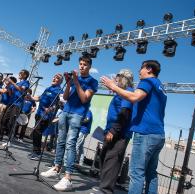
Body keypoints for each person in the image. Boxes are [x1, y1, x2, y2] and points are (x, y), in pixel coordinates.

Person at [100, 60, 167, 194]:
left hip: (145, 133)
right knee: (151, 174)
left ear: (148, 69)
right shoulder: (160, 87)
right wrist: (117, 90)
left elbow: (135, 97)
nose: (139, 72)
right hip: (158, 134)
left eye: (141, 68)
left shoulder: (147, 81)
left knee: (137, 173)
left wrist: (114, 87)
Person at [40, 56, 98, 191]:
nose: (82, 66)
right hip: (65, 111)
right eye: (80, 64)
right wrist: (68, 83)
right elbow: (65, 97)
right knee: (60, 141)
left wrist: (76, 82)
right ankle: (56, 167)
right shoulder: (73, 80)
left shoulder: (92, 82)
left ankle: (68, 177)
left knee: (71, 143)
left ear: (89, 66)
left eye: (85, 64)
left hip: (77, 114)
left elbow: (84, 99)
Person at [94, 69, 134, 194]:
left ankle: (105, 190)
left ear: (124, 79)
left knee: (112, 161)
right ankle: (103, 186)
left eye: (118, 78)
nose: (115, 80)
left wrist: (113, 130)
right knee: (103, 157)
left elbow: (125, 113)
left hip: (119, 133)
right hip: (110, 131)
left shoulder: (128, 92)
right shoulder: (120, 92)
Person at [29, 73, 63, 160]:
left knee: (37, 131)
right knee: (36, 132)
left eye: (57, 78)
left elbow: (59, 104)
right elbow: (39, 98)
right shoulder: (48, 88)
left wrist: (51, 108)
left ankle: (37, 153)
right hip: (39, 113)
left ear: (60, 81)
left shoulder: (59, 91)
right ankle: (35, 151)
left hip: (46, 116)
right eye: (54, 77)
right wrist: (31, 97)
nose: (54, 78)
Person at [0, 69, 30, 146]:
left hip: (17, 105)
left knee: (11, 122)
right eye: (19, 72)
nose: (19, 74)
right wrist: (9, 85)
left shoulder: (26, 82)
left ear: (25, 75)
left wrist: (12, 82)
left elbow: (21, 89)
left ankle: (9, 141)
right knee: (4, 119)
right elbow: (11, 93)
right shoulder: (18, 83)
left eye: (21, 73)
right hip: (11, 103)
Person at [0, 76, 17, 143]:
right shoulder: (9, 86)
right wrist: (4, 80)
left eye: (8, 80)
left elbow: (3, 91)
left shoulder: (11, 87)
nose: (6, 80)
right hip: (4, 105)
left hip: (3, 105)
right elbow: (3, 87)